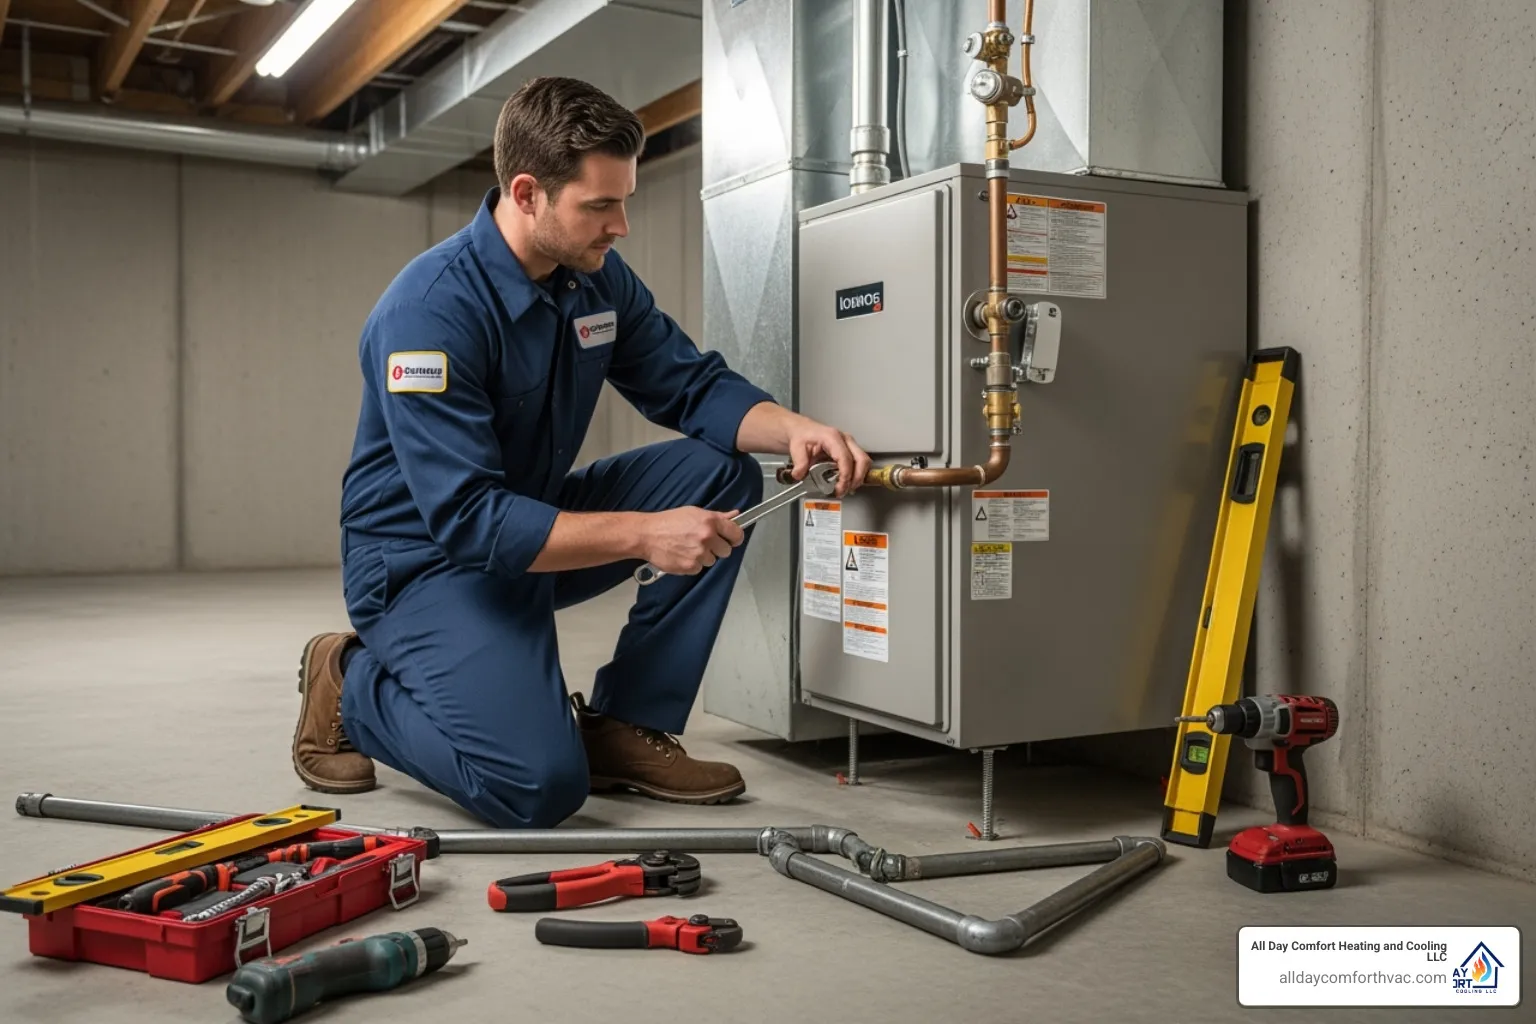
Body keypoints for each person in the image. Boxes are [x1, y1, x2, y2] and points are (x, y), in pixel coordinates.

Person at [290, 76, 871, 829]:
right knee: (533, 787)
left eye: (623, 200)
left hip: (530, 522)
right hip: (424, 563)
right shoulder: (428, 315)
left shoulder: (594, 280)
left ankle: (625, 725)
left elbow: (688, 385)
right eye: (600, 206)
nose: (620, 225)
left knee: (721, 471)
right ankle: (350, 682)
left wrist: (793, 429)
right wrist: (644, 535)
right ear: (527, 193)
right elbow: (470, 522)